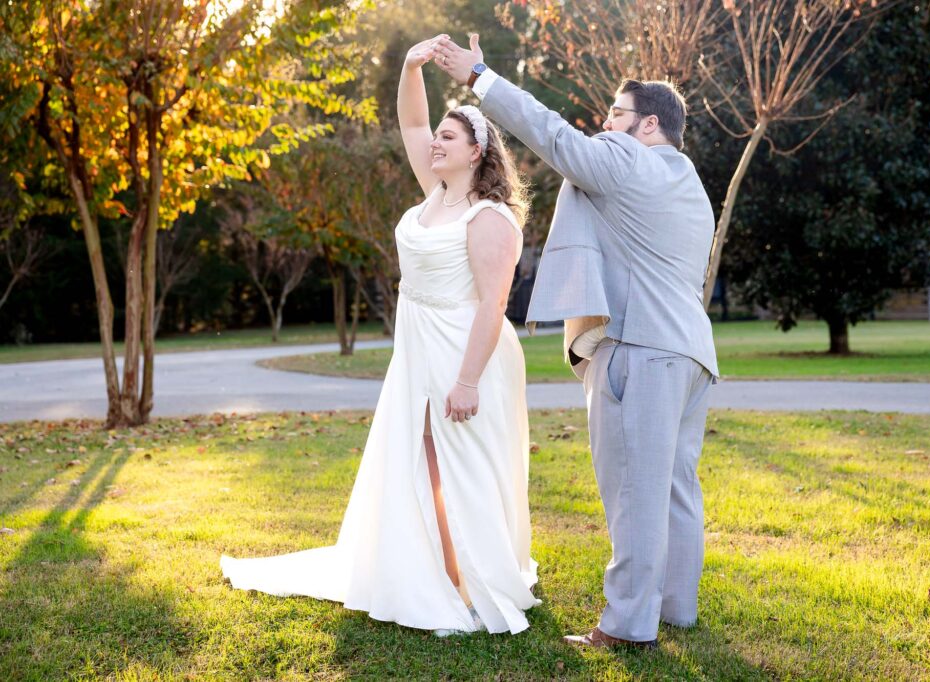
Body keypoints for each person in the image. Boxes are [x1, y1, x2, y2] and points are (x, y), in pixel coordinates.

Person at [221, 34, 539, 637]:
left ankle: (470, 590)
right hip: (418, 348)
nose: (435, 143)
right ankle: (440, 575)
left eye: (449, 138)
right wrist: (411, 66)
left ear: (477, 152)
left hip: (464, 351)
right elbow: (412, 122)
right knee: (423, 460)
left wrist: (467, 380)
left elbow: (494, 304)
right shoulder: (436, 194)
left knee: (456, 465)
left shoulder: (488, 217)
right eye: (438, 137)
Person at [434, 35, 720, 649]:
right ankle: (677, 609)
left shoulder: (626, 161)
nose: (605, 125)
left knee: (633, 495)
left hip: (640, 350)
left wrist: (479, 75)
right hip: (693, 354)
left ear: (648, 125)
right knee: (676, 488)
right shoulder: (689, 182)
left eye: (616, 114)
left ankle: (627, 627)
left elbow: (553, 134)